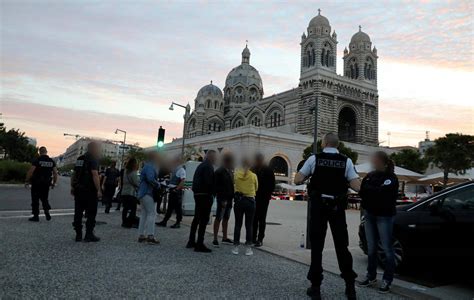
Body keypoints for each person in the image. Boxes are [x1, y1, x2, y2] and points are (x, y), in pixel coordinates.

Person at [294, 133, 360, 300]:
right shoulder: (346, 161)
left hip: (318, 207)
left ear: (324, 143)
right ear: (337, 145)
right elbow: (356, 185)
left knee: (317, 247)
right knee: (341, 246)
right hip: (337, 208)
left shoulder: (314, 159)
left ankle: (316, 288)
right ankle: (350, 286)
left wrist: (306, 173)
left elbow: (297, 179)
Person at [358, 151, 399, 294]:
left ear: (383, 162)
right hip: (370, 214)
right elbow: (362, 191)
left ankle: (387, 279)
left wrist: (372, 191)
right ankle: (371, 276)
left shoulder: (391, 178)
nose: (373, 162)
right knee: (371, 248)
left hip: (385, 216)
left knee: (387, 249)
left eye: (375, 160)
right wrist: (373, 191)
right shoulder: (370, 176)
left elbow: (384, 194)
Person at [71, 141, 102, 242]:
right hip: (90, 190)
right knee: (91, 213)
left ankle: (78, 234)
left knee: (78, 212)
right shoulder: (93, 159)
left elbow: (75, 174)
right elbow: (95, 175)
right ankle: (89, 234)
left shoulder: (80, 159)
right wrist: (99, 190)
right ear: (94, 149)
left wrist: (72, 186)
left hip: (79, 189)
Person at [187, 150, 216, 253]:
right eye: (215, 157)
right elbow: (209, 182)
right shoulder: (208, 166)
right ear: (211, 157)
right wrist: (213, 193)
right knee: (203, 220)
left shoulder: (201, 166)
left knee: (197, 218)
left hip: (198, 194)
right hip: (204, 195)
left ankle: (191, 241)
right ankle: (199, 244)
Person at [232, 157, 258, 256]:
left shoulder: (236, 174)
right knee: (249, 225)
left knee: (238, 224)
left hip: (239, 201)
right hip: (250, 201)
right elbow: (256, 188)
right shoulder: (253, 176)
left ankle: (235, 247)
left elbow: (234, 184)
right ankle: (248, 248)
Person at [25, 146, 58, 222]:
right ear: (46, 152)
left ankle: (36, 216)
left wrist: (27, 180)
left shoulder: (37, 160)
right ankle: (47, 212)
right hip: (46, 183)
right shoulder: (51, 161)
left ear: (39, 152)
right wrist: (54, 183)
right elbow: (55, 173)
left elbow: (31, 171)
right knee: (44, 199)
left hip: (36, 183)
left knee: (35, 199)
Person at [251, 153, 275, 247]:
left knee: (262, 219)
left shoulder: (268, 170)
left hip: (264, 199)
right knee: (254, 218)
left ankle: (260, 239)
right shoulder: (252, 169)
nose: (257, 162)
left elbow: (272, 185)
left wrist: (267, 195)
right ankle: (253, 237)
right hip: (254, 197)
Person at [137, 152, 160, 244]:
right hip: (148, 192)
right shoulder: (150, 166)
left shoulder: (146, 166)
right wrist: (158, 184)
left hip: (142, 193)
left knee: (144, 214)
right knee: (152, 213)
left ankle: (141, 235)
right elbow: (150, 179)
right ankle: (150, 235)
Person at [212, 152, 235, 247]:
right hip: (222, 199)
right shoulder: (219, 171)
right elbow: (216, 186)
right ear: (227, 161)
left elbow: (231, 185)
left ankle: (224, 238)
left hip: (229, 198)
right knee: (218, 217)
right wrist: (221, 198)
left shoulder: (229, 171)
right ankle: (215, 239)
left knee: (226, 218)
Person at [157, 156, 186, 228]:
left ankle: (178, 222)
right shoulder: (175, 169)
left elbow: (183, 181)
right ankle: (165, 221)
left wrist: (176, 189)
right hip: (173, 190)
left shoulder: (181, 170)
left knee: (177, 208)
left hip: (175, 190)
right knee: (170, 207)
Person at [121, 158, 140, 228]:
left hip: (124, 192)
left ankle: (124, 222)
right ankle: (129, 223)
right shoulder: (133, 172)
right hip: (131, 193)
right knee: (133, 209)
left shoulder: (125, 172)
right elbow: (136, 183)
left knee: (125, 208)